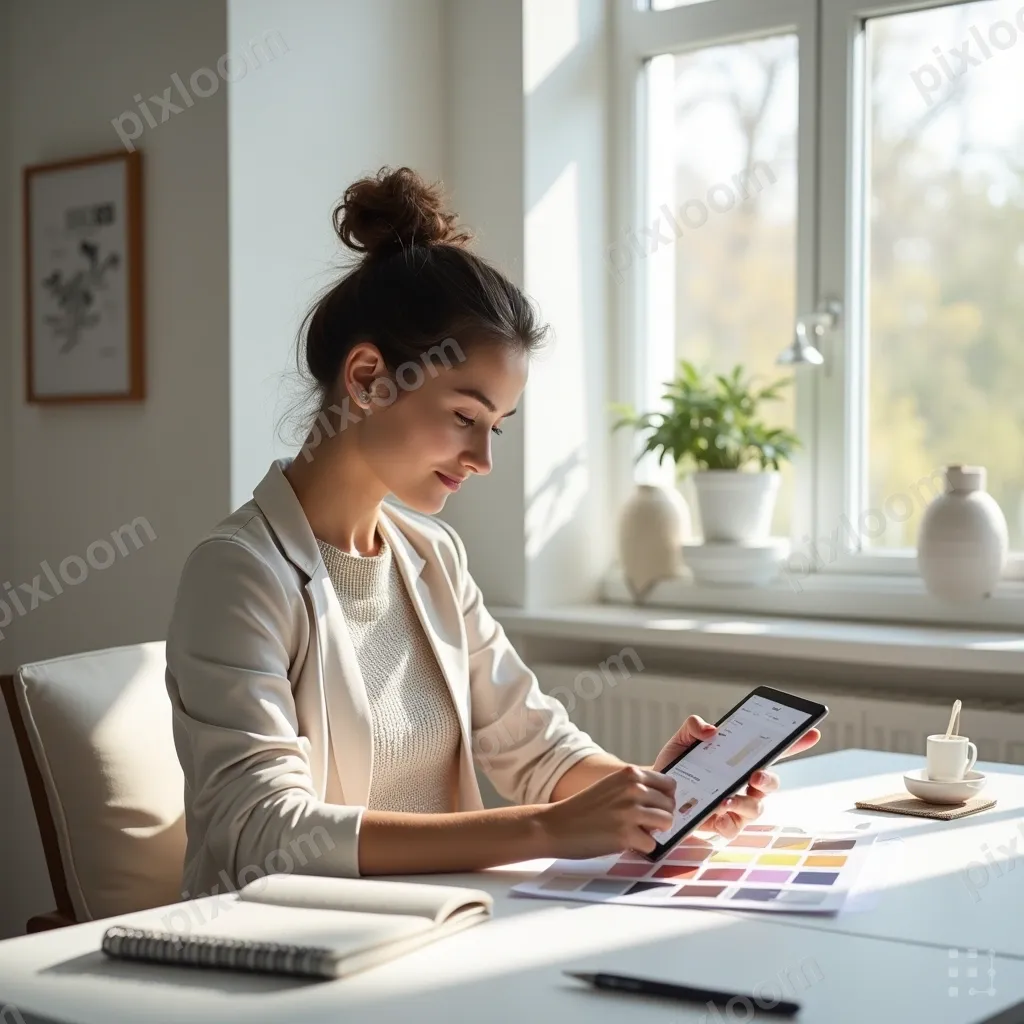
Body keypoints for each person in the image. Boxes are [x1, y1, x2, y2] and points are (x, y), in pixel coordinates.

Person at [164, 166, 820, 897]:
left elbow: (535, 748)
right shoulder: (237, 573)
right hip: (291, 946)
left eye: (495, 426)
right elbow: (263, 831)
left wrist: (659, 797)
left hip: (438, 928)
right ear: (368, 377)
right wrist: (545, 829)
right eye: (464, 417)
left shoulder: (433, 557)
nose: (482, 459)